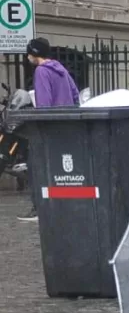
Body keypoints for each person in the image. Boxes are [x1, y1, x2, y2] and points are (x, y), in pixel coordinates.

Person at [18, 38, 80, 223]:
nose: (27, 56)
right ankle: (64, 206)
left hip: (50, 128)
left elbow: (44, 104)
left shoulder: (42, 71)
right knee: (62, 170)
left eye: (29, 53)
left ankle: (40, 209)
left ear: (34, 53)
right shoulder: (61, 69)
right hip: (67, 125)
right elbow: (75, 95)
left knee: (36, 167)